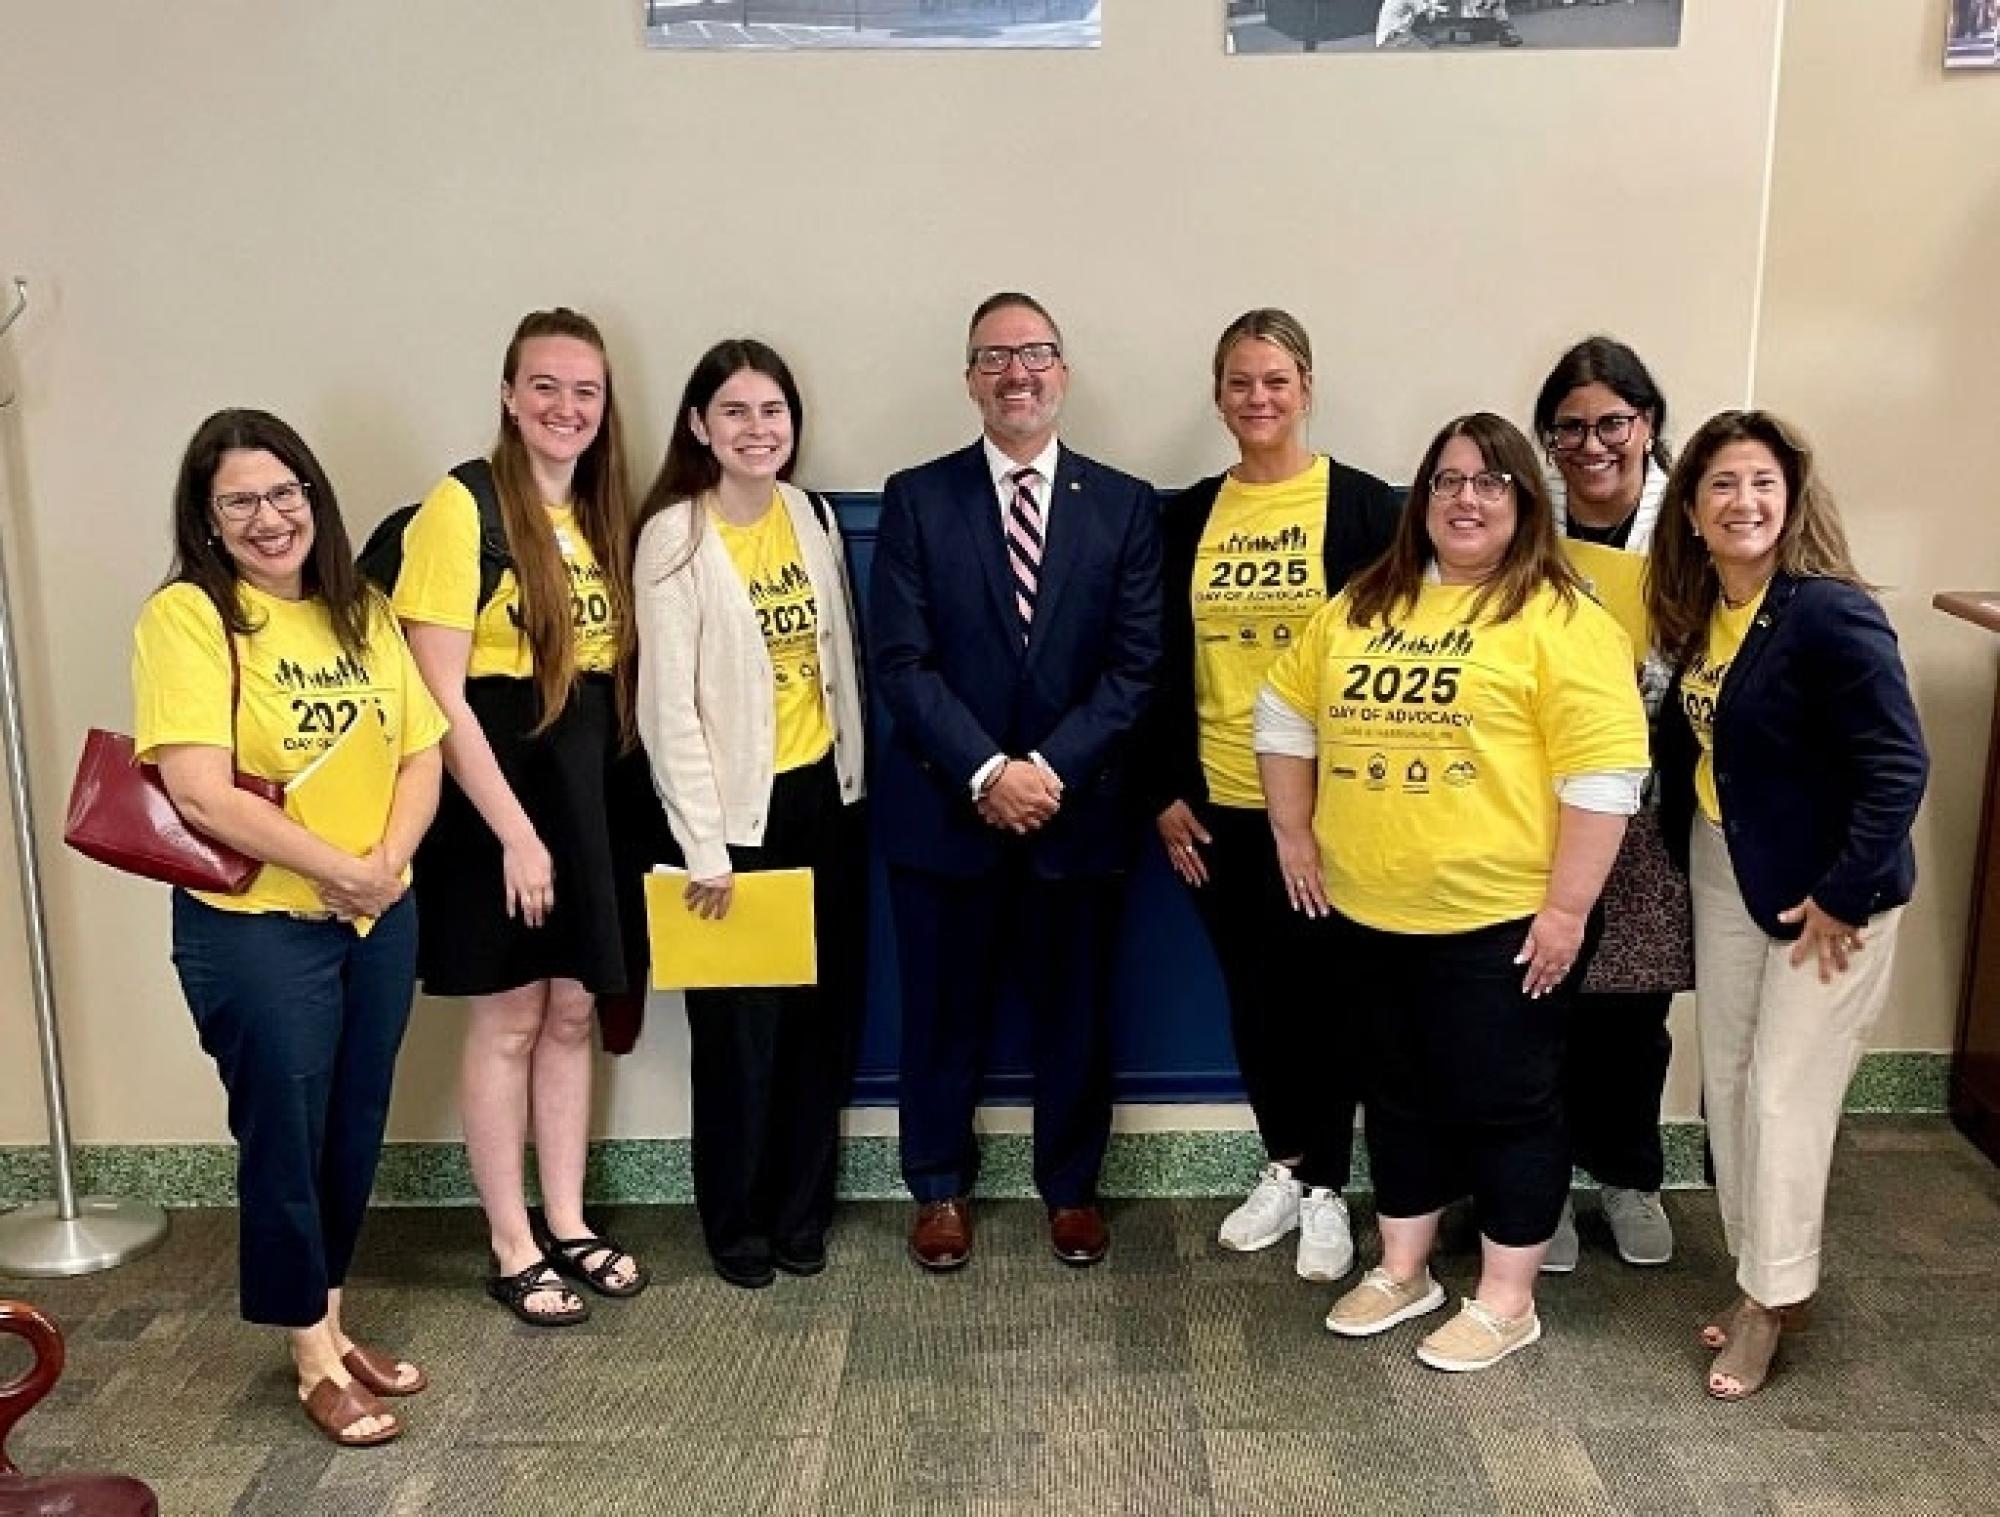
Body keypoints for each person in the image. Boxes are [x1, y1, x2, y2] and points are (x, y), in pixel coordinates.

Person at [1256, 412, 1648, 1371]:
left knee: (1508, 1103)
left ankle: (1508, 1298)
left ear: (1524, 500)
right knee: (1398, 1098)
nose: (1466, 499)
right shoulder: (1363, 604)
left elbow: (1603, 776)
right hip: (1369, 912)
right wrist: (1293, 831)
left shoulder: (1563, 620)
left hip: (1503, 920)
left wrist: (1566, 911)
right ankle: (1405, 1268)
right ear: (1422, 498)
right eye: (1446, 480)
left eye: (1491, 482)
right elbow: (1281, 706)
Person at [134, 409, 446, 1445]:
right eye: (241, 501)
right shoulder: (188, 616)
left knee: (353, 1124)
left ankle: (332, 1313)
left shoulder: (359, 607)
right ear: (209, 518)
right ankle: (309, 1352)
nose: (269, 518)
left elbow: (420, 753)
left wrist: (385, 870)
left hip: (375, 918)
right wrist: (343, 871)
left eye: (285, 493)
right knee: (284, 1132)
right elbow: (201, 792)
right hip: (258, 927)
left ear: (313, 497)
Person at [871, 291, 1161, 1272]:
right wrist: (989, 769)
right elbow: (902, 663)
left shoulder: (1123, 505)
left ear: (1062, 372)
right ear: (969, 380)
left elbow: (1133, 668)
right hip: (944, 810)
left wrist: (1046, 771)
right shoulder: (917, 496)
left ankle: (1070, 1188)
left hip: (1074, 816)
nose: (1017, 372)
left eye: (1035, 353)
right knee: (939, 1012)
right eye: (995, 357)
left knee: (1075, 1015)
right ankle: (938, 1186)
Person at [1648, 410, 1927, 1400]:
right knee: (1723, 1079)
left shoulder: (1826, 610)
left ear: (1791, 496)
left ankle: (1770, 1303)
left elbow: (1897, 767)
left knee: (1782, 1092)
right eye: (1721, 484)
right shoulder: (1704, 611)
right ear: (1688, 509)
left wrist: (1839, 891)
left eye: (1761, 481)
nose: (1742, 502)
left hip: (1830, 895)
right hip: (1727, 866)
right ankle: (1761, 1269)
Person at [393, 308, 651, 1325]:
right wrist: (515, 831)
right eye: (544, 385)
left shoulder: (595, 517)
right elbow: (438, 695)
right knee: (506, 1016)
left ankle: (568, 1220)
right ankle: (509, 1241)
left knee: (573, 1008)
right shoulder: (463, 506)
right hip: (495, 798)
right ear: (508, 394)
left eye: (584, 390)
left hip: (583, 789)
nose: (565, 407)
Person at [1146, 309, 1399, 1282]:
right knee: (1253, 995)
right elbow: (1157, 661)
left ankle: (1330, 1187)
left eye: (1275, 380)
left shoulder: (1364, 507)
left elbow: (1393, 652)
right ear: (1218, 397)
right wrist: (1162, 788)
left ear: (1306, 387)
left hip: (1328, 806)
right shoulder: (1186, 517)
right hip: (1212, 804)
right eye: (1240, 382)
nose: (1258, 398)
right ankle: (1285, 1165)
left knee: (1325, 997)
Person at [630, 339, 868, 1289]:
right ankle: (736, 1225)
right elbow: (668, 710)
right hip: (732, 821)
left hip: (825, 800)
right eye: (734, 412)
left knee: (820, 1024)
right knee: (739, 1040)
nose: (756, 430)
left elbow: (835, 660)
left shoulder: (809, 516)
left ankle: (801, 1214)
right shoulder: (675, 536)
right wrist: (702, 846)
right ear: (698, 425)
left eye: (772, 412)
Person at [1531, 336, 1690, 1272]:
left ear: (1648, 424)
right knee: (1539, 1002)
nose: (1592, 444)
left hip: (1652, 801)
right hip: (1539, 800)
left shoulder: (1689, 522)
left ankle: (1629, 1173)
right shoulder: (1525, 515)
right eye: (1571, 427)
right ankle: (1537, 1185)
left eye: (1613, 423)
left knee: (1633, 1014)